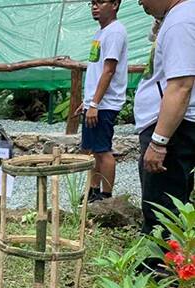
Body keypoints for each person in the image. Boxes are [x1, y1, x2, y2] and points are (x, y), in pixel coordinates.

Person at [134, 0, 195, 239]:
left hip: (172, 130)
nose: (139, 1)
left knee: (162, 209)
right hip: (172, 128)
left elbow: (181, 86)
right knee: (170, 203)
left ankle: (157, 268)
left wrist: (159, 142)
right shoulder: (177, 18)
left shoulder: (181, 22)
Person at [73, 0, 128, 203]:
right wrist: (87, 102)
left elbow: (109, 70)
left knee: (103, 150)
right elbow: (97, 70)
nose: (95, 7)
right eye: (92, 3)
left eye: (101, 2)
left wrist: (95, 104)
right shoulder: (102, 32)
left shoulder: (115, 32)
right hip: (96, 103)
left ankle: (106, 196)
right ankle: (93, 190)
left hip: (105, 104)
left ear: (114, 4)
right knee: (95, 150)